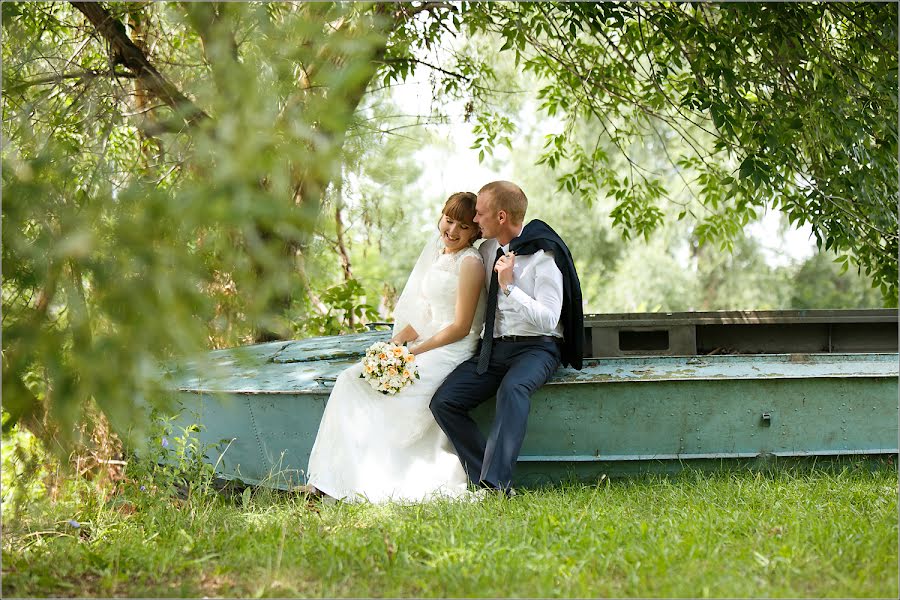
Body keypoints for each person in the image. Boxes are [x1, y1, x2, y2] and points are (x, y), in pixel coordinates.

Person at [304, 192, 486, 503]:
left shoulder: (470, 263)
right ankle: (328, 482)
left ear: (475, 232)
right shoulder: (440, 256)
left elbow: (459, 326)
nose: (453, 230)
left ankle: (374, 481)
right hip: (426, 342)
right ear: (441, 217)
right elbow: (428, 313)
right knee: (349, 379)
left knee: (383, 392)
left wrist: (412, 353)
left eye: (464, 227)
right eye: (449, 220)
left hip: (451, 348)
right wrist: (398, 340)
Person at [430, 181, 584, 496]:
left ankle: (496, 485)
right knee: (445, 401)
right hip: (495, 349)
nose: (475, 221)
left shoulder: (544, 256)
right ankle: (484, 477)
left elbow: (549, 319)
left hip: (538, 350)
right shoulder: (487, 250)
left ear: (501, 217)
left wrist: (509, 287)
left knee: (513, 389)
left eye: (480, 214)